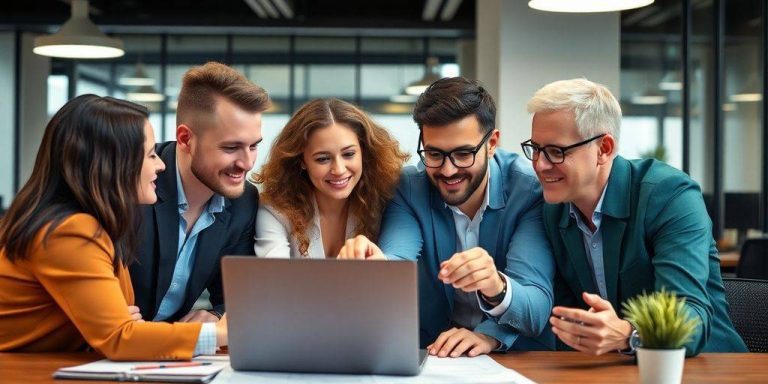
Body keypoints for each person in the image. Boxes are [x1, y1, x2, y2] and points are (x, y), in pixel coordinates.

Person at [523, 78, 747, 356]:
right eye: (535, 148)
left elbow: (690, 316)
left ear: (604, 149)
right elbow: (565, 317)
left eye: (556, 151)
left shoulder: (669, 195)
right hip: (613, 372)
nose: (539, 164)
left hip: (705, 368)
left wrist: (629, 335)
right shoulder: (553, 208)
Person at [338, 77, 555, 357]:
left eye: (464, 154)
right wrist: (378, 266)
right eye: (434, 154)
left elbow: (536, 307)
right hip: (436, 355)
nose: (448, 171)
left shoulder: (527, 192)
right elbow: (398, 259)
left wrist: (495, 287)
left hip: (516, 360)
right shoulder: (409, 187)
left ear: (492, 144)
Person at [0, 95, 226, 359]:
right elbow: (121, 337)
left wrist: (118, 327)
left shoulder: (97, 227)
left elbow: (121, 326)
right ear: (114, 164)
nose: (161, 165)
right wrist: (223, 333)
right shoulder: (71, 231)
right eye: (150, 154)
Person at [131, 62, 269, 323]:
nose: (247, 163)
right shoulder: (135, 180)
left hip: (172, 353)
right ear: (185, 139)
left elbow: (239, 295)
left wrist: (216, 314)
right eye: (231, 148)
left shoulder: (242, 201)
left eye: (253, 146)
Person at [253, 99, 408, 258]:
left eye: (348, 154)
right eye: (322, 159)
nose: (339, 170)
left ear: (364, 152)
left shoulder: (386, 203)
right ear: (301, 161)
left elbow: (396, 264)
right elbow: (274, 276)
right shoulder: (276, 211)